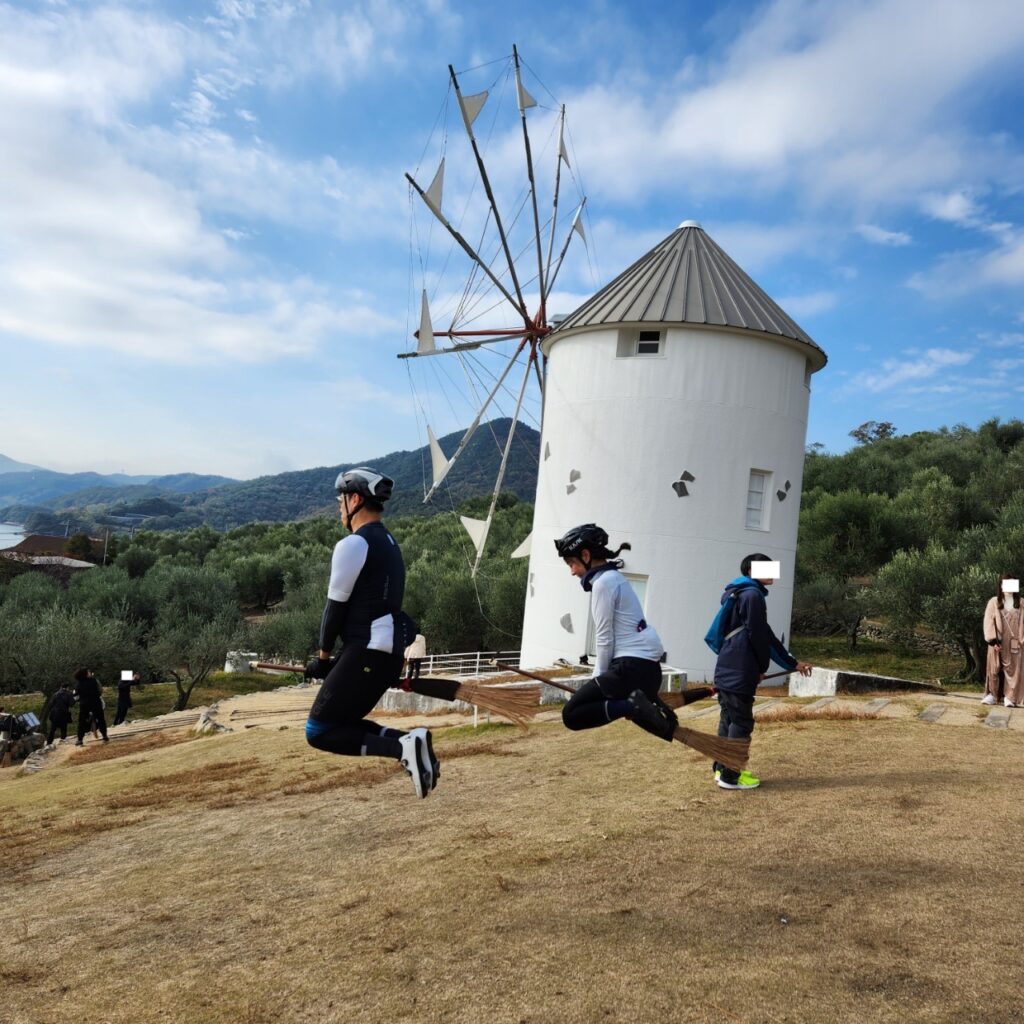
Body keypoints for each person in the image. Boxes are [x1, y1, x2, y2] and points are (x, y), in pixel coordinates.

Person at [303, 468, 438, 798]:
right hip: (386, 654)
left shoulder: (353, 543)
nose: (338, 507)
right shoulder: (390, 543)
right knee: (342, 723)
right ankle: (411, 741)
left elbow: (334, 608)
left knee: (318, 730)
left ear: (355, 499)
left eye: (340, 500)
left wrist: (323, 658)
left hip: (368, 651)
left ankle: (402, 748)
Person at [554, 524, 678, 741]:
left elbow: (604, 637)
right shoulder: (615, 578)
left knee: (571, 714)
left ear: (585, 555)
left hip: (631, 668)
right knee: (587, 708)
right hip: (646, 671)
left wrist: (597, 679)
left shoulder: (603, 583)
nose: (572, 571)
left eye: (572, 563)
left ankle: (633, 707)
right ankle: (636, 706)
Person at [712, 553, 812, 790]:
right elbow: (759, 636)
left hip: (727, 666)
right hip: (740, 669)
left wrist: (791, 663)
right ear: (752, 571)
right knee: (741, 722)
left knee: (728, 718)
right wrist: (760, 667)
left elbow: (762, 634)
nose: (773, 572)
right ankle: (731, 776)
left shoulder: (737, 592)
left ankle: (720, 769)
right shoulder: (753, 595)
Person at [982, 576, 1023, 708]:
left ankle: (1010, 697)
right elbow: (988, 621)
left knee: (1013, 668)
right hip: (997, 641)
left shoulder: (1021, 603)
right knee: (994, 667)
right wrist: (993, 641)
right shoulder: (994, 602)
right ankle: (992, 695)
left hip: (1015, 641)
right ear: (1001, 586)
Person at [72, 668, 108, 746]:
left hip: (84, 704)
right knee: (101, 719)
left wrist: (81, 700)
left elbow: (75, 696)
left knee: (82, 721)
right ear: (85, 673)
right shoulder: (95, 681)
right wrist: (96, 696)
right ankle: (105, 736)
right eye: (88, 672)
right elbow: (100, 690)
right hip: (96, 702)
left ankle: (80, 739)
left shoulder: (78, 684)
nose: (90, 673)